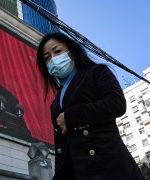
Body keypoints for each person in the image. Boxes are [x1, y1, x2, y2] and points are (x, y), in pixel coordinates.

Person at [36, 32, 145, 180]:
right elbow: (62, 146)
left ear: (72, 53)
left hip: (108, 166)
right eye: (47, 57)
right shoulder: (55, 102)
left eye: (57, 51)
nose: (53, 59)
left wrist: (73, 116)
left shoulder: (97, 72)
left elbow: (116, 103)